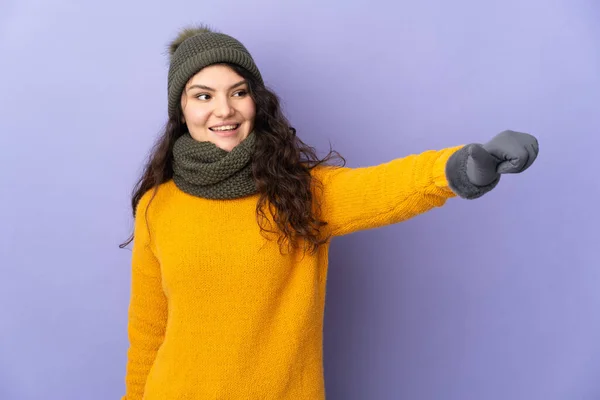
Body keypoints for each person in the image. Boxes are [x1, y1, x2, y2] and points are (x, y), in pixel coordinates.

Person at [120, 24, 539, 400]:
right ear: (182, 110)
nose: (224, 109)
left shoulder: (301, 191)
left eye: (238, 91)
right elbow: (148, 331)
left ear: (256, 101)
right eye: (203, 96)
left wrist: (463, 163)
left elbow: (387, 187)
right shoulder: (159, 205)